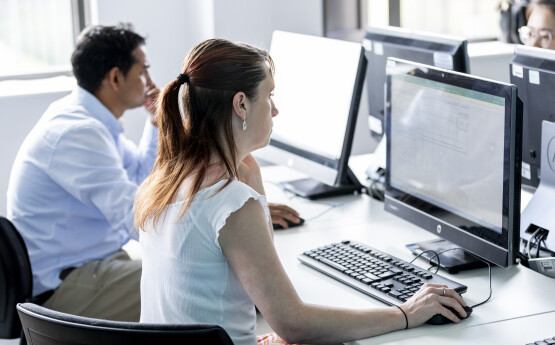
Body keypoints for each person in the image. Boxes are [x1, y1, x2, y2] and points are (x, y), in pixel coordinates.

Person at [135, 38, 468, 345]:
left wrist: (253, 178)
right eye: (269, 95)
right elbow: (293, 324)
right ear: (241, 105)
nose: (275, 109)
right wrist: (406, 313)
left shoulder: (164, 181)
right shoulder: (231, 202)